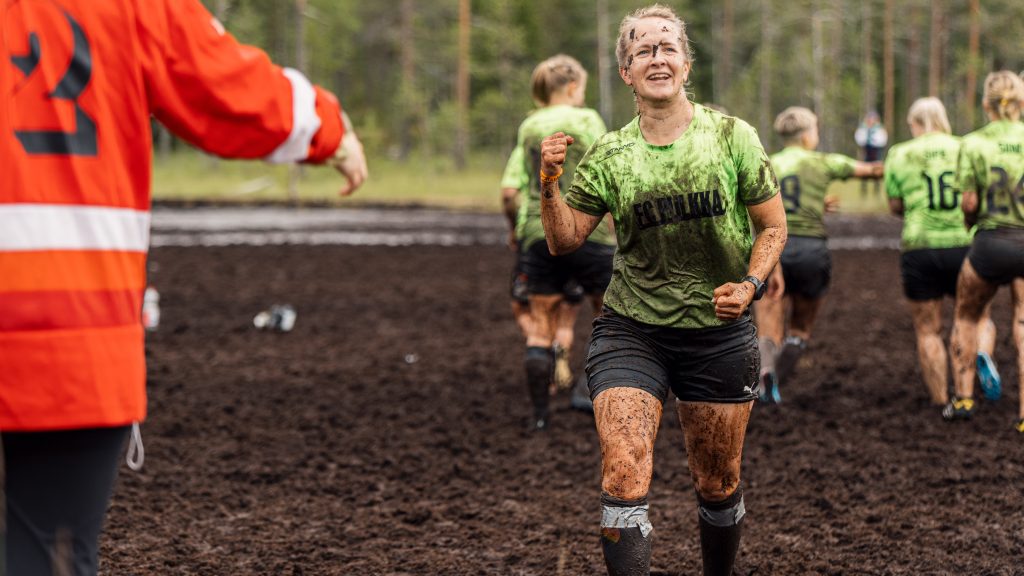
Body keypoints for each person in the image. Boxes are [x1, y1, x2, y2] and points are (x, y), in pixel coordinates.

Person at [0, 2, 367, 575]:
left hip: (75, 334)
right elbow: (221, 82)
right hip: (76, 329)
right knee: (49, 552)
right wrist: (326, 127)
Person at [539, 6, 786, 575]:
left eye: (668, 47)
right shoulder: (611, 154)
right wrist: (549, 183)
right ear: (626, 72)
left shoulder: (731, 136)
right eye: (643, 51)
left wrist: (750, 285)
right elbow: (564, 239)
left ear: (686, 64)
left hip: (718, 334)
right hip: (632, 330)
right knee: (624, 474)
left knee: (717, 482)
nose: (657, 58)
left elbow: (772, 226)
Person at [507, 54, 614, 430]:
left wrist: (516, 231)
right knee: (610, 317)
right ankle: (594, 395)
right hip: (589, 231)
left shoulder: (529, 125)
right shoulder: (588, 120)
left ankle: (540, 417)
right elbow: (606, 171)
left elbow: (518, 186)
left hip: (538, 231)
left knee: (540, 326)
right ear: (572, 87)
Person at [754, 107, 882, 402]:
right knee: (800, 328)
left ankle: (766, 375)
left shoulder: (767, 163)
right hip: (811, 250)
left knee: (769, 320)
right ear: (807, 135)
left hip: (774, 248)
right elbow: (872, 170)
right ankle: (778, 378)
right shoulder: (823, 162)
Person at [885, 97, 1000, 408]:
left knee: (928, 330)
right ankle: (980, 354)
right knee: (978, 317)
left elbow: (895, 205)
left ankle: (940, 400)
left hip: (920, 247)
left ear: (914, 124)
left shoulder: (900, 153)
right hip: (965, 244)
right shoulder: (965, 146)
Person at [947, 71, 1024, 429]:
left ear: (985, 104)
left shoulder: (973, 143)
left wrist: (970, 224)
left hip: (991, 243)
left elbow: (969, 202)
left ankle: (964, 399)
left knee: (967, 314)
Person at [500, 145, 586, 395]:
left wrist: (513, 228)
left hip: (536, 237)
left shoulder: (525, 149)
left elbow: (508, 195)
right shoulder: (580, 148)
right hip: (575, 237)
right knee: (566, 314)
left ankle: (542, 353)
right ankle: (560, 358)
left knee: (527, 310)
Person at [855, 110, 888, 197]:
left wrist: (873, 141)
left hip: (876, 151)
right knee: (863, 170)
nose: (871, 121)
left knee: (877, 170)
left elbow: (882, 141)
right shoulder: (863, 128)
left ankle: (876, 190)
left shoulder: (879, 129)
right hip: (866, 151)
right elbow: (859, 139)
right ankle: (863, 190)